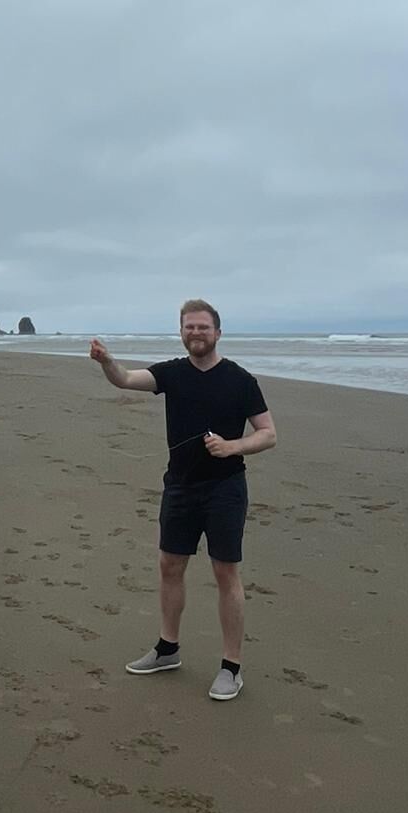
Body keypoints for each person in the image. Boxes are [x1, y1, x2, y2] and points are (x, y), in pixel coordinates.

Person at [90, 300, 276, 701]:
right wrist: (107, 361)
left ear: (218, 333)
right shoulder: (171, 373)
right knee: (169, 565)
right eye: (189, 327)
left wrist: (233, 446)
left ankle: (231, 668)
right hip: (180, 486)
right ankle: (167, 649)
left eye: (203, 327)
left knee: (226, 573)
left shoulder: (241, 380)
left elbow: (268, 433)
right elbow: (123, 379)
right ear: (181, 332)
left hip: (226, 489)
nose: (196, 333)